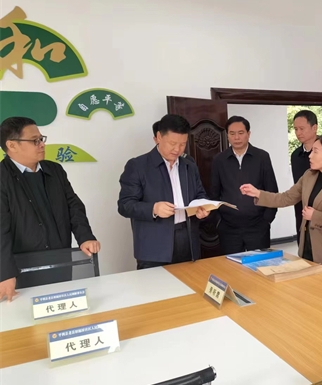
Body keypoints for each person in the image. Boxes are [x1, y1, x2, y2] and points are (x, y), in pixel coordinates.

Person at [0, 117, 100, 301]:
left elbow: (73, 206)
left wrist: (85, 236)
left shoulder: (54, 170)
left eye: (41, 139)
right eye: (34, 140)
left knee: (64, 308)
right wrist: (4, 273)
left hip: (60, 259)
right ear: (12, 145)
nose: (42, 144)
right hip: (21, 268)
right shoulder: (2, 177)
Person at [240, 135, 322, 270]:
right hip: (306, 247)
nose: (310, 156)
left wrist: (316, 216)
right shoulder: (309, 175)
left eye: (315, 151)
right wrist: (258, 194)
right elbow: (286, 197)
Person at [118, 115, 209, 269]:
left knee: (189, 282)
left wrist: (202, 207)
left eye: (182, 144)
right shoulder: (138, 166)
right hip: (154, 245)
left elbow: (200, 194)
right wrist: (154, 208)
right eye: (172, 143)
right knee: (155, 284)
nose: (177, 149)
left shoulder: (189, 165)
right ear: (159, 137)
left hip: (187, 240)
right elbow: (125, 205)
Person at [211, 116, 278, 255]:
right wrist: (218, 221)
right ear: (227, 135)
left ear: (248, 134)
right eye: (232, 133)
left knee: (260, 264)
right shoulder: (219, 160)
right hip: (228, 228)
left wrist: (266, 220)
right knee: (231, 266)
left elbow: (272, 191)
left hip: (258, 226)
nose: (236, 137)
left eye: (241, 133)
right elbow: (213, 194)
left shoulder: (262, 157)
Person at [290, 110, 318, 244]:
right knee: (303, 242)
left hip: (321, 206)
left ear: (314, 127)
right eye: (296, 129)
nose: (298, 133)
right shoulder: (295, 155)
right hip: (301, 205)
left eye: (302, 128)